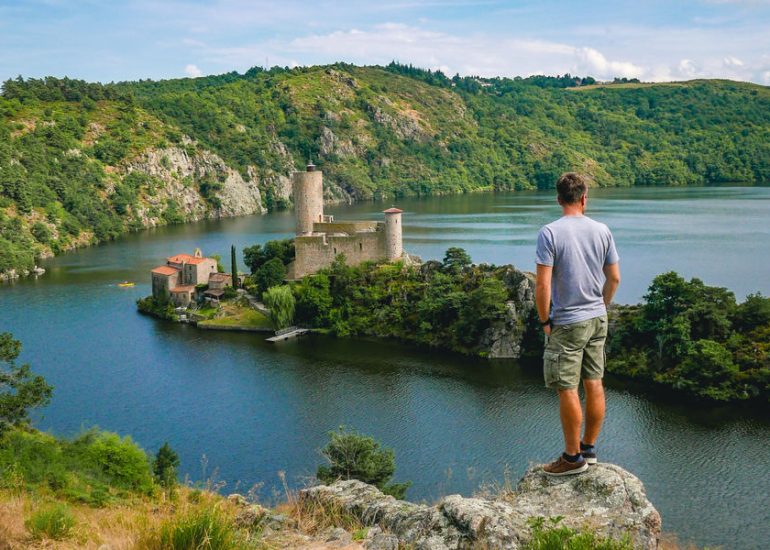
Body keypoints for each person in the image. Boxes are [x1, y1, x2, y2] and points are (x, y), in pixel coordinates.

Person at [535, 172, 621, 476]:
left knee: (566, 386)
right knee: (594, 382)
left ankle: (572, 459)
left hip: (568, 321)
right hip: (597, 317)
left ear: (559, 199)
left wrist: (545, 320)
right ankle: (589, 448)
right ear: (584, 198)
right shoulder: (602, 230)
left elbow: (543, 285)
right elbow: (614, 278)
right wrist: (602, 305)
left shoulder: (550, 232)